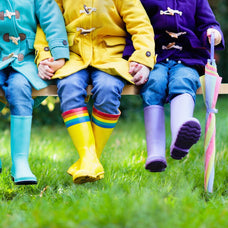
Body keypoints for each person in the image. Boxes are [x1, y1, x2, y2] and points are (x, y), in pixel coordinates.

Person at [34, 0, 155, 184]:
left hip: (110, 56)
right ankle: (90, 159)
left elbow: (140, 25)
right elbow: (46, 23)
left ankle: (89, 160)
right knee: (69, 86)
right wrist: (44, 57)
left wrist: (144, 59)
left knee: (108, 88)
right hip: (71, 55)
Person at [0, 0, 69, 185]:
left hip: (27, 58)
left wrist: (58, 55)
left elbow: (52, 22)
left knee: (20, 88)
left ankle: (20, 161)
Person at [136, 0, 225, 172]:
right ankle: (155, 153)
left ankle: (180, 138)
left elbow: (208, 22)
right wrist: (137, 58)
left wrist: (214, 33)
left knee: (184, 80)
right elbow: (135, 25)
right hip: (154, 58)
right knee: (154, 84)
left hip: (187, 58)